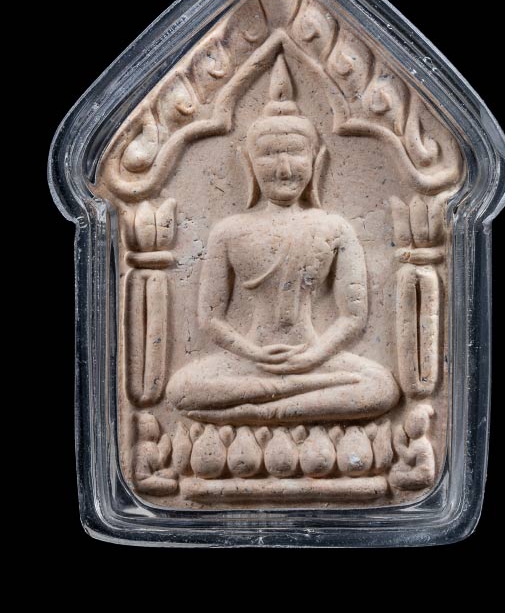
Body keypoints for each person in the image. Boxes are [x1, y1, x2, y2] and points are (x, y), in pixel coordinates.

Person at [167, 101, 399, 424]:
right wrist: (253, 353)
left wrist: (313, 357)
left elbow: (353, 316)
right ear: (248, 163)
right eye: (269, 155)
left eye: (295, 153)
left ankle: (263, 410)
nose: (284, 169)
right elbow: (210, 318)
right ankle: (295, 403)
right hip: (251, 360)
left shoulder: (334, 228)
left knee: (383, 387)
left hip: (314, 357)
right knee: (180, 389)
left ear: (317, 160)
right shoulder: (229, 231)